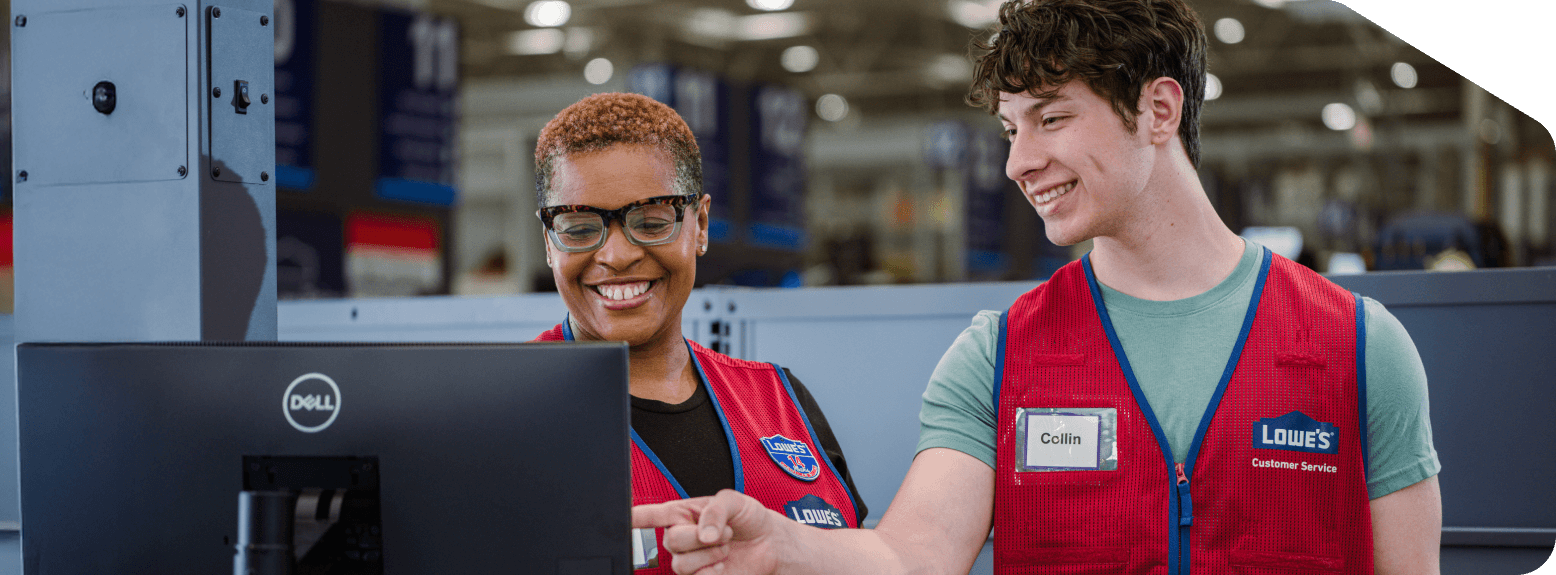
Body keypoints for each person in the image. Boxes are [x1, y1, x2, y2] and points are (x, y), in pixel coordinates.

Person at [631, 1, 1442, 574]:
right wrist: (784, 544)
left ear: (1160, 108)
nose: (1019, 163)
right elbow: (912, 556)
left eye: (1051, 119)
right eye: (1011, 130)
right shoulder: (998, 357)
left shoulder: (1359, 348)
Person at [529, 92, 869, 573]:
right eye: (580, 227)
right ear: (549, 243)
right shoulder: (508, 416)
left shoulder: (781, 401)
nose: (617, 255)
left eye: (650, 222)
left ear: (701, 224)